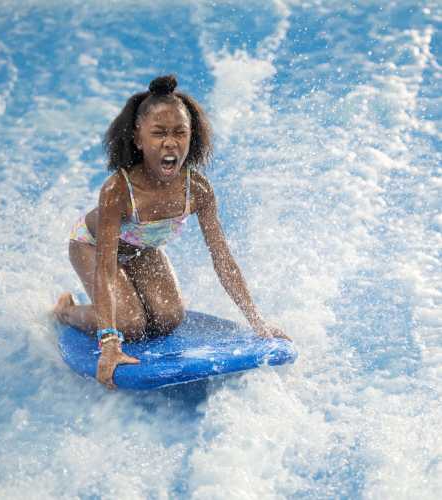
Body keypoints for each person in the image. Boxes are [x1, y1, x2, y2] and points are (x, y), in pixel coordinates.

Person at [54, 75, 291, 389]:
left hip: (142, 248)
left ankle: (129, 302)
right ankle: (67, 311)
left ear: (192, 136)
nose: (170, 142)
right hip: (93, 247)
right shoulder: (119, 190)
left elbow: (223, 259)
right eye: (158, 133)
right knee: (131, 325)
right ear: (138, 138)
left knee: (168, 319)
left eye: (180, 132)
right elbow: (106, 267)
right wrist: (110, 342)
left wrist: (257, 321)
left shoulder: (198, 190)